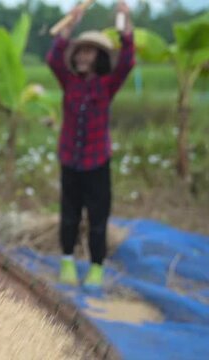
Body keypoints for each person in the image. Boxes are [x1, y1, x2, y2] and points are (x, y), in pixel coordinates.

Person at [46, 1, 135, 288]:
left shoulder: (107, 85)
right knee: (69, 215)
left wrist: (124, 20)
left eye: (89, 51)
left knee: (98, 218)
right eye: (81, 50)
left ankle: (96, 268)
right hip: (70, 160)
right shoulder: (68, 82)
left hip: (97, 163)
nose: (84, 56)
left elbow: (128, 60)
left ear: (98, 57)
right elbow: (53, 58)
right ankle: (68, 261)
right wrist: (70, 23)